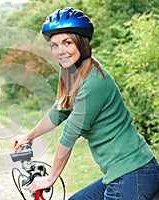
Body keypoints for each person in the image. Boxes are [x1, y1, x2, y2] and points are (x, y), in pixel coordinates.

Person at [13, 7, 159, 199]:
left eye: (67, 43)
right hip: (119, 174)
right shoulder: (75, 74)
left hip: (133, 172)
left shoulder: (94, 82)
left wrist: (50, 179)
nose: (60, 51)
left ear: (82, 43)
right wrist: (28, 137)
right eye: (54, 45)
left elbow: (69, 134)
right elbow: (59, 111)